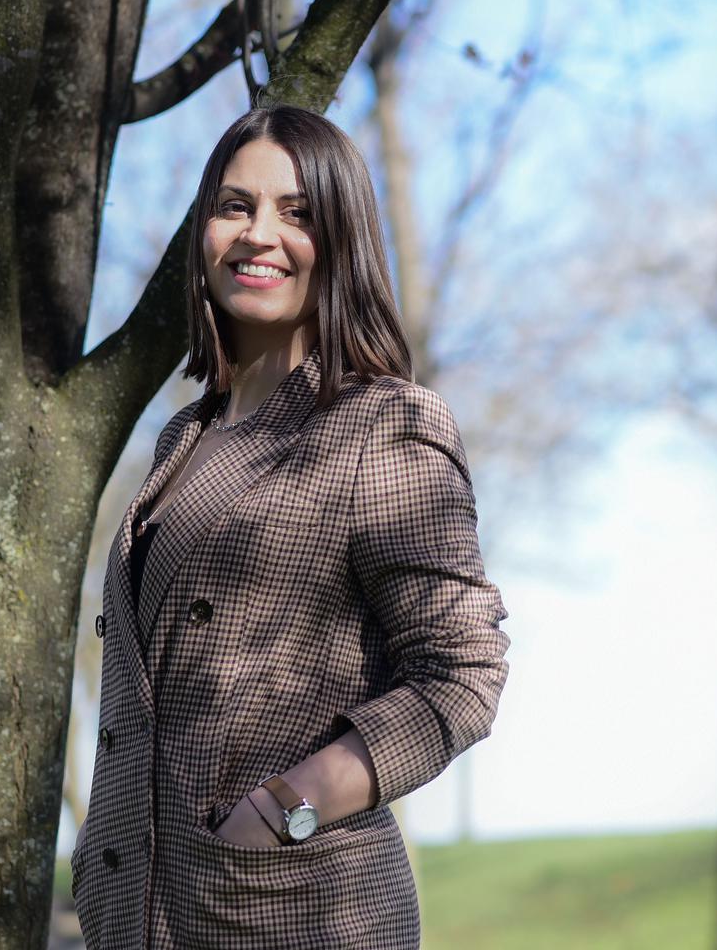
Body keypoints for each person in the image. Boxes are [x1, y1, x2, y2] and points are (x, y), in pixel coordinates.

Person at [71, 105, 510, 948]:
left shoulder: (384, 425)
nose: (258, 234)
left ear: (342, 240)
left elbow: (462, 674)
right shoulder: (184, 437)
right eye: (234, 206)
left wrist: (285, 811)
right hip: (141, 914)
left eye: (297, 212)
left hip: (292, 915)